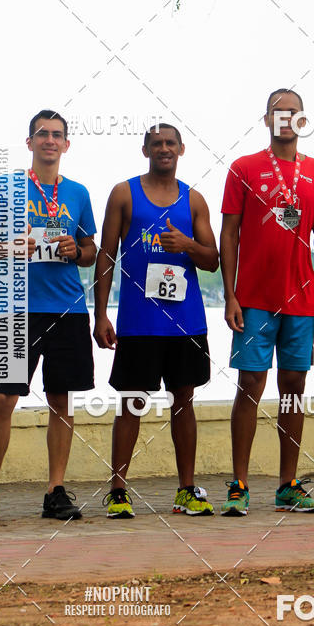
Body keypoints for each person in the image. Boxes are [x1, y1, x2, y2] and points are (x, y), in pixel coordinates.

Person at [0, 110, 97, 522]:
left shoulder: (77, 193)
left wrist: (76, 251)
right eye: (42, 134)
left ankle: (55, 491)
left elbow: (91, 250)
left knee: (62, 400)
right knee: (4, 398)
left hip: (68, 310)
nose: (50, 141)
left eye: (57, 135)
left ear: (66, 144)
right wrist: (11, 246)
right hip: (16, 311)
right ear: (29, 143)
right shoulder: (5, 187)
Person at [219, 88, 314, 516]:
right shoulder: (243, 167)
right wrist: (230, 293)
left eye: (293, 112)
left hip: (303, 299)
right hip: (252, 298)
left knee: (294, 388)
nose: (285, 118)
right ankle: (239, 483)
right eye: (277, 112)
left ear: (302, 120)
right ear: (266, 119)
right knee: (250, 385)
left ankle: (288, 483)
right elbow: (228, 233)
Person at [94, 124, 219, 518]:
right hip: (137, 320)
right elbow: (106, 256)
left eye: (170, 143)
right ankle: (118, 490)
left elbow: (213, 260)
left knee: (184, 400)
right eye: (157, 144)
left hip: (185, 322)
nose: (164, 149)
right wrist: (100, 314)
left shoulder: (194, 200)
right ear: (145, 149)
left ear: (181, 149)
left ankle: (186, 489)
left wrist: (186, 245)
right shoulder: (123, 193)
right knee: (131, 402)